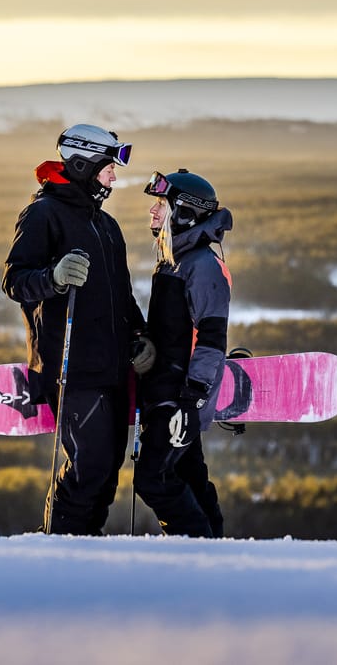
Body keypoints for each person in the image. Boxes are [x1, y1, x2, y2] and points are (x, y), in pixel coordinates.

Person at [2, 124, 155, 535]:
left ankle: (83, 550)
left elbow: (121, 296)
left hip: (112, 369)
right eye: (109, 167)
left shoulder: (105, 226)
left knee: (106, 473)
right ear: (83, 162)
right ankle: (59, 548)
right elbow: (15, 280)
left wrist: (139, 338)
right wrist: (52, 277)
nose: (114, 177)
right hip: (70, 368)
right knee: (90, 467)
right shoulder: (43, 213)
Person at [133, 168, 232, 537]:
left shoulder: (203, 266)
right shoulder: (175, 259)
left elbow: (211, 338)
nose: (153, 212)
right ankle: (215, 552)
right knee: (188, 474)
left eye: (161, 204)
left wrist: (192, 400)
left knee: (153, 477)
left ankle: (195, 548)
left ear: (185, 212)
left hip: (180, 396)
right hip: (167, 388)